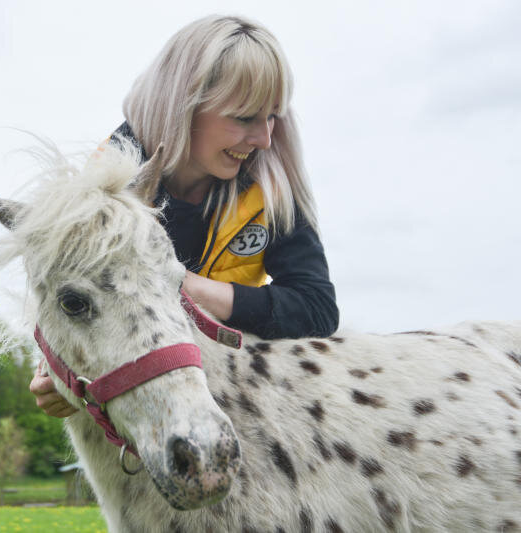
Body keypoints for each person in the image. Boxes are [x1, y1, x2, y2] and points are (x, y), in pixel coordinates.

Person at [31, 15, 339, 418]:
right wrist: (55, 371)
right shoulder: (104, 187)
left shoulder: (273, 187)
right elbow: (72, 303)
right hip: (148, 406)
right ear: (183, 105)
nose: (264, 139)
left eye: (272, 116)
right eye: (245, 117)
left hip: (243, 395)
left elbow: (317, 309)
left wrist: (181, 286)